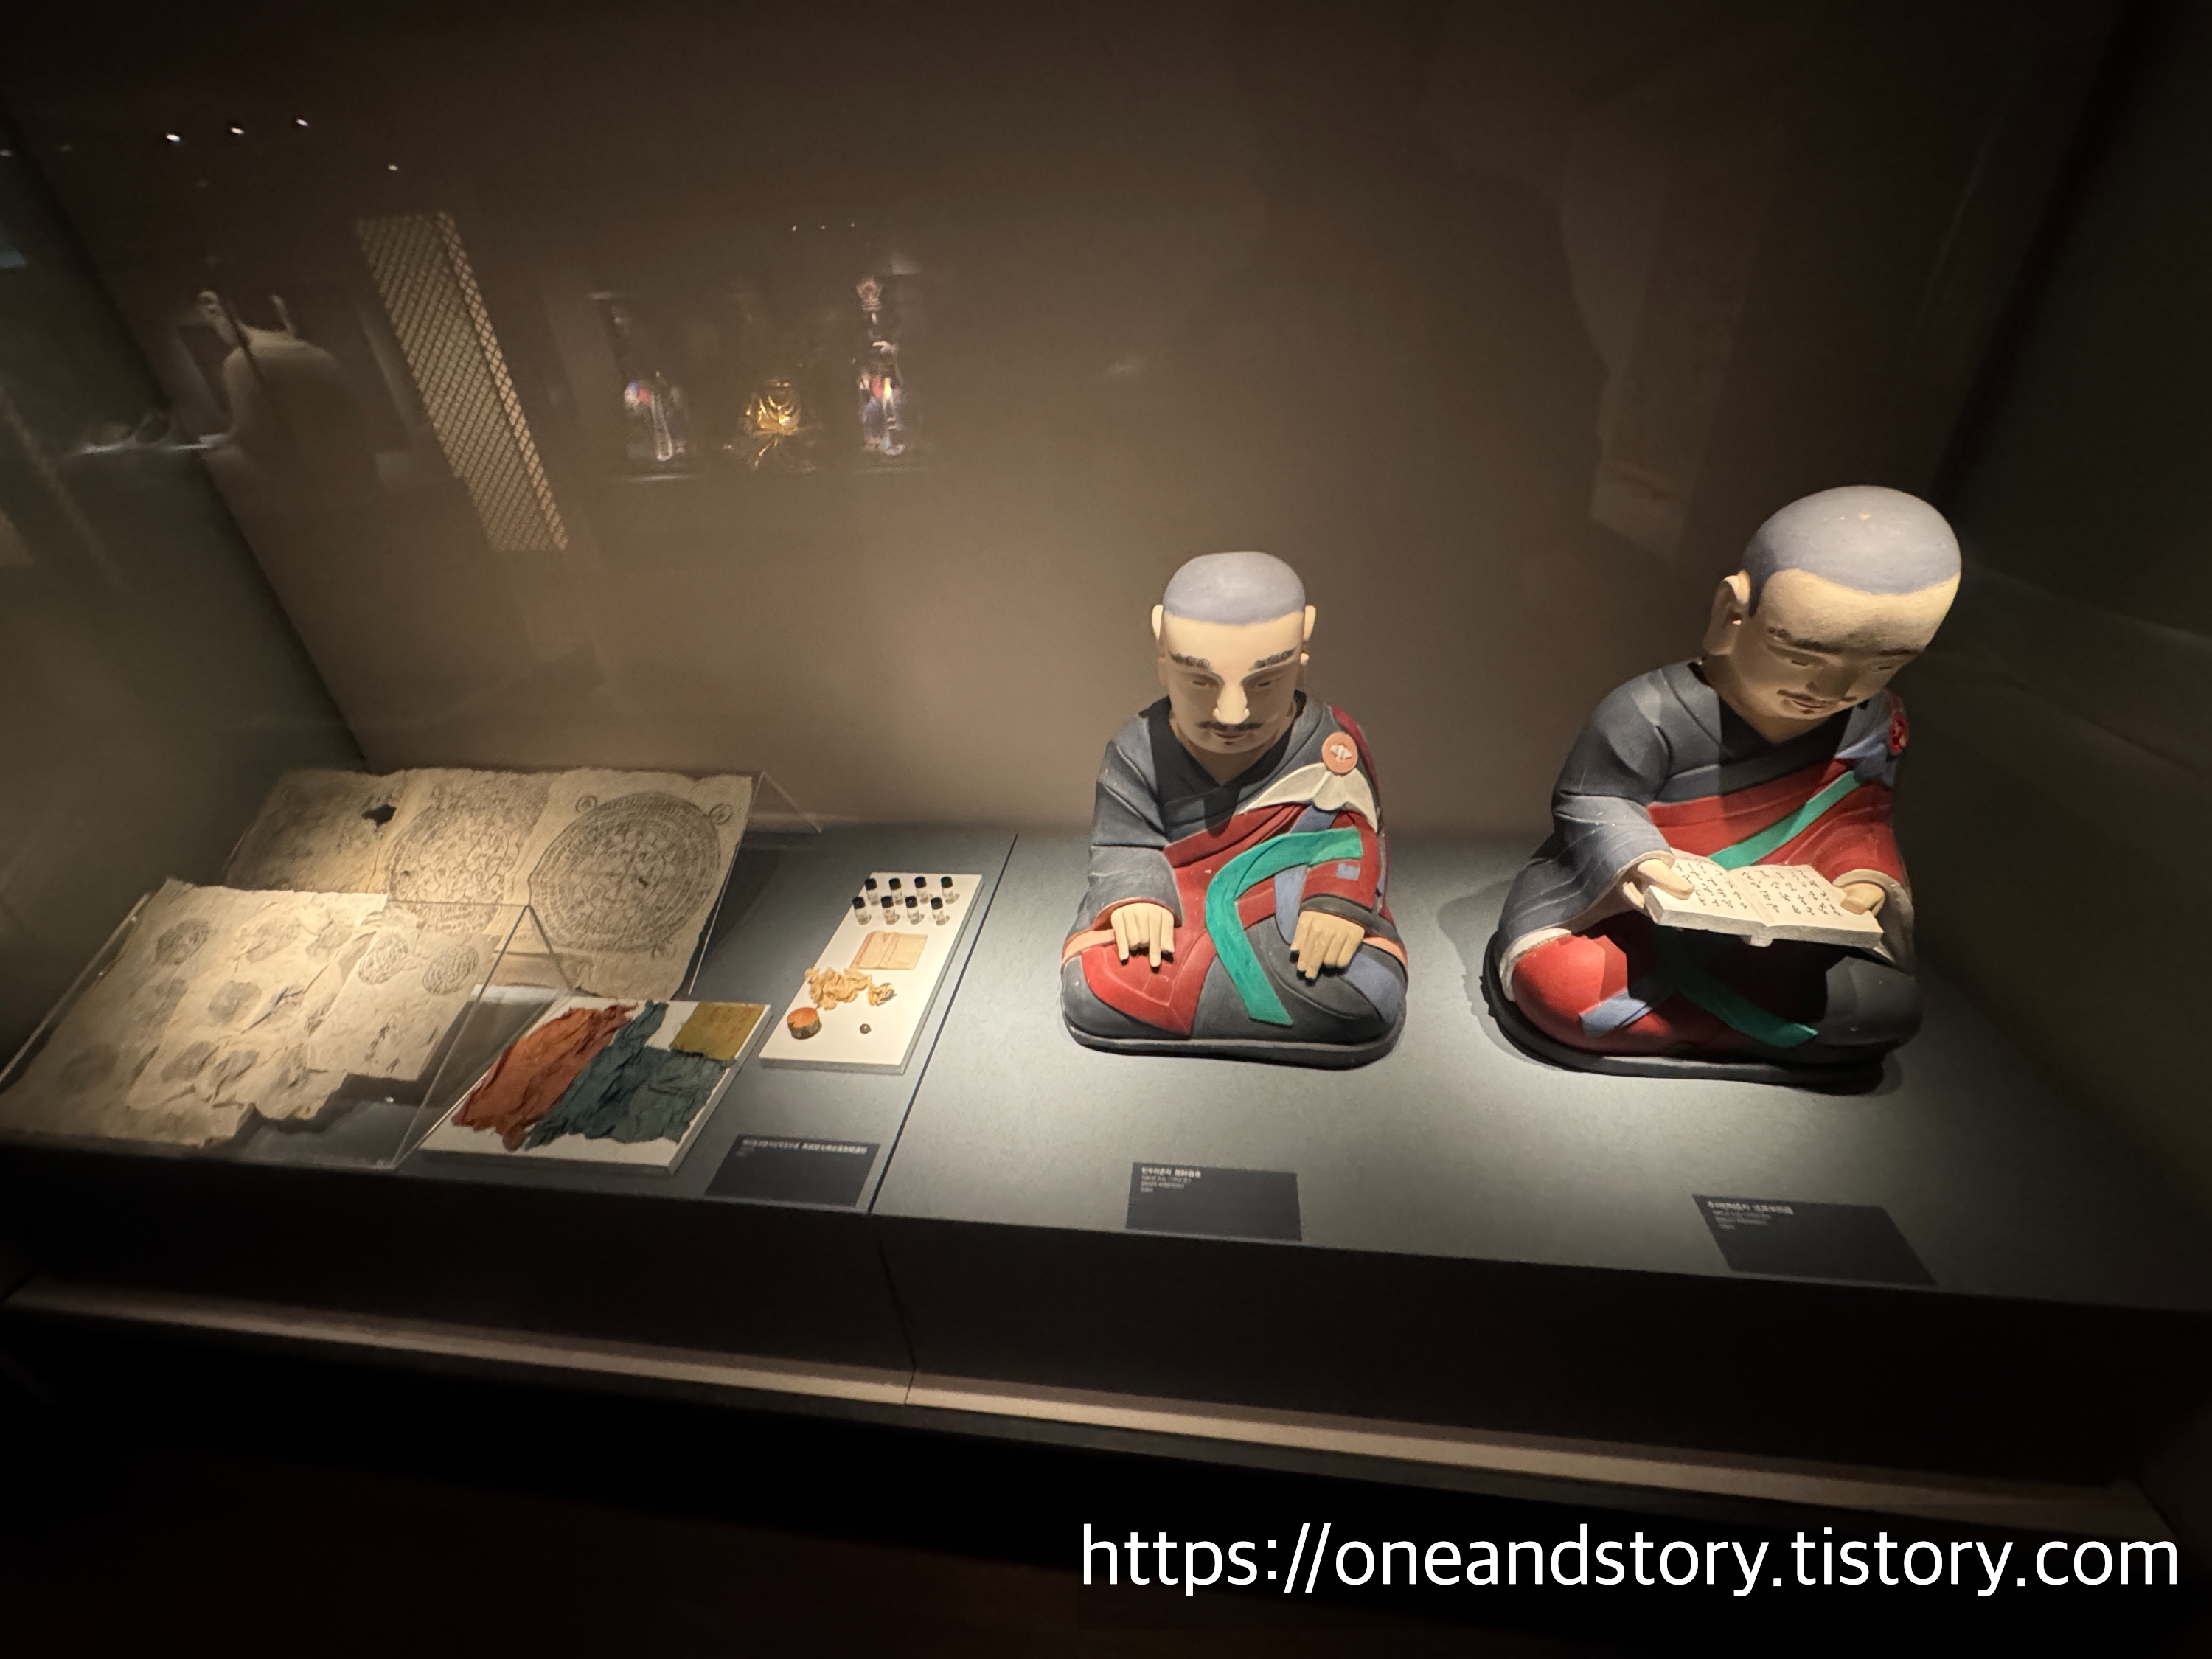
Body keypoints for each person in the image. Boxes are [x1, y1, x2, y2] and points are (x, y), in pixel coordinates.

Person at [1489, 485, 1960, 1078]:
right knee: (1560, 984)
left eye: (1882, 664)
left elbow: (1858, 818)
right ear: (1733, 614)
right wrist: (1641, 863)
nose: (1832, 689)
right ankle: (1761, 1030)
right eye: (1801, 655)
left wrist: (1860, 877)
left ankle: (1689, 1024)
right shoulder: (1649, 711)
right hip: (1636, 917)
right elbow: (1593, 798)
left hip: (1784, 934)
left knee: (1890, 1006)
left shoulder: (1872, 722)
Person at [1060, 552, 1406, 1066]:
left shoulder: (1332, 748)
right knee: (1098, 983)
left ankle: (1213, 996)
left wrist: (1335, 907)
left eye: (1264, 682)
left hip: (1287, 910)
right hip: (1178, 910)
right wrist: (1138, 898)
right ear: (1161, 651)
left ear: (1303, 648)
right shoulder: (1138, 750)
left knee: (1364, 992)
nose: (1232, 713)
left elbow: (1354, 840)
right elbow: (1123, 843)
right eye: (1199, 681)